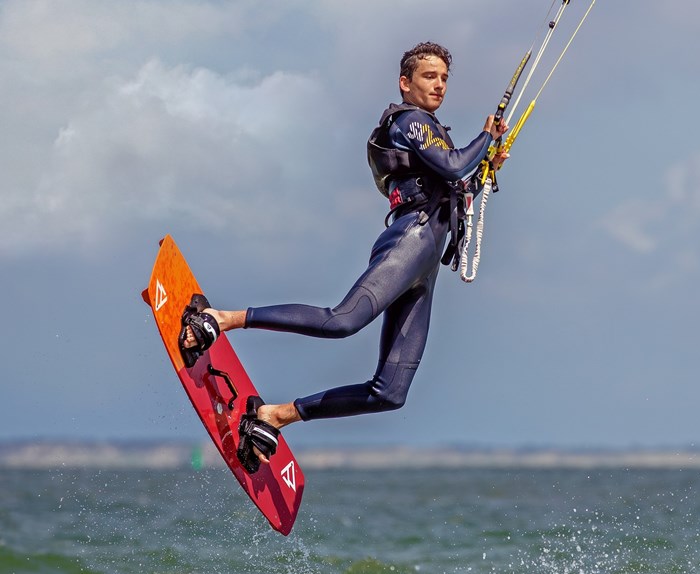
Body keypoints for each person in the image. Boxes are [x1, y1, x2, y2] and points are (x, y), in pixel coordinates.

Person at [179, 41, 509, 468]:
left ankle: (276, 415)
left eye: (445, 78)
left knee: (389, 393)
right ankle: (222, 319)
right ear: (405, 83)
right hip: (410, 240)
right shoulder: (409, 120)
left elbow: (456, 185)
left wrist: (488, 167)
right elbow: (452, 166)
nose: (439, 85)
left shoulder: (435, 133)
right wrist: (486, 138)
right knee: (342, 321)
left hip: (425, 266)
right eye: (430, 76)